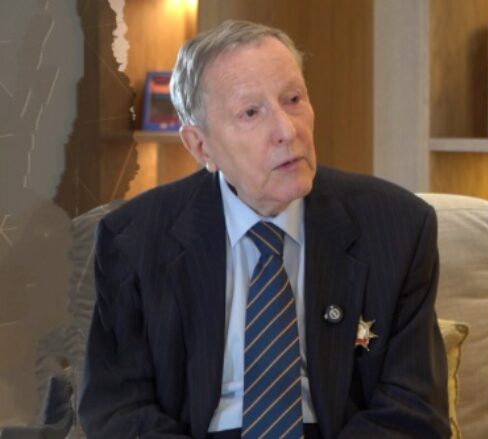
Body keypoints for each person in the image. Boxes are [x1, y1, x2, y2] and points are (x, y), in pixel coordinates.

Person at [78, 20, 450, 439]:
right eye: (251, 113)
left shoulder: (397, 227)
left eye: (293, 99)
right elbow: (117, 408)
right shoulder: (133, 239)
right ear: (201, 145)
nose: (287, 131)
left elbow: (414, 407)